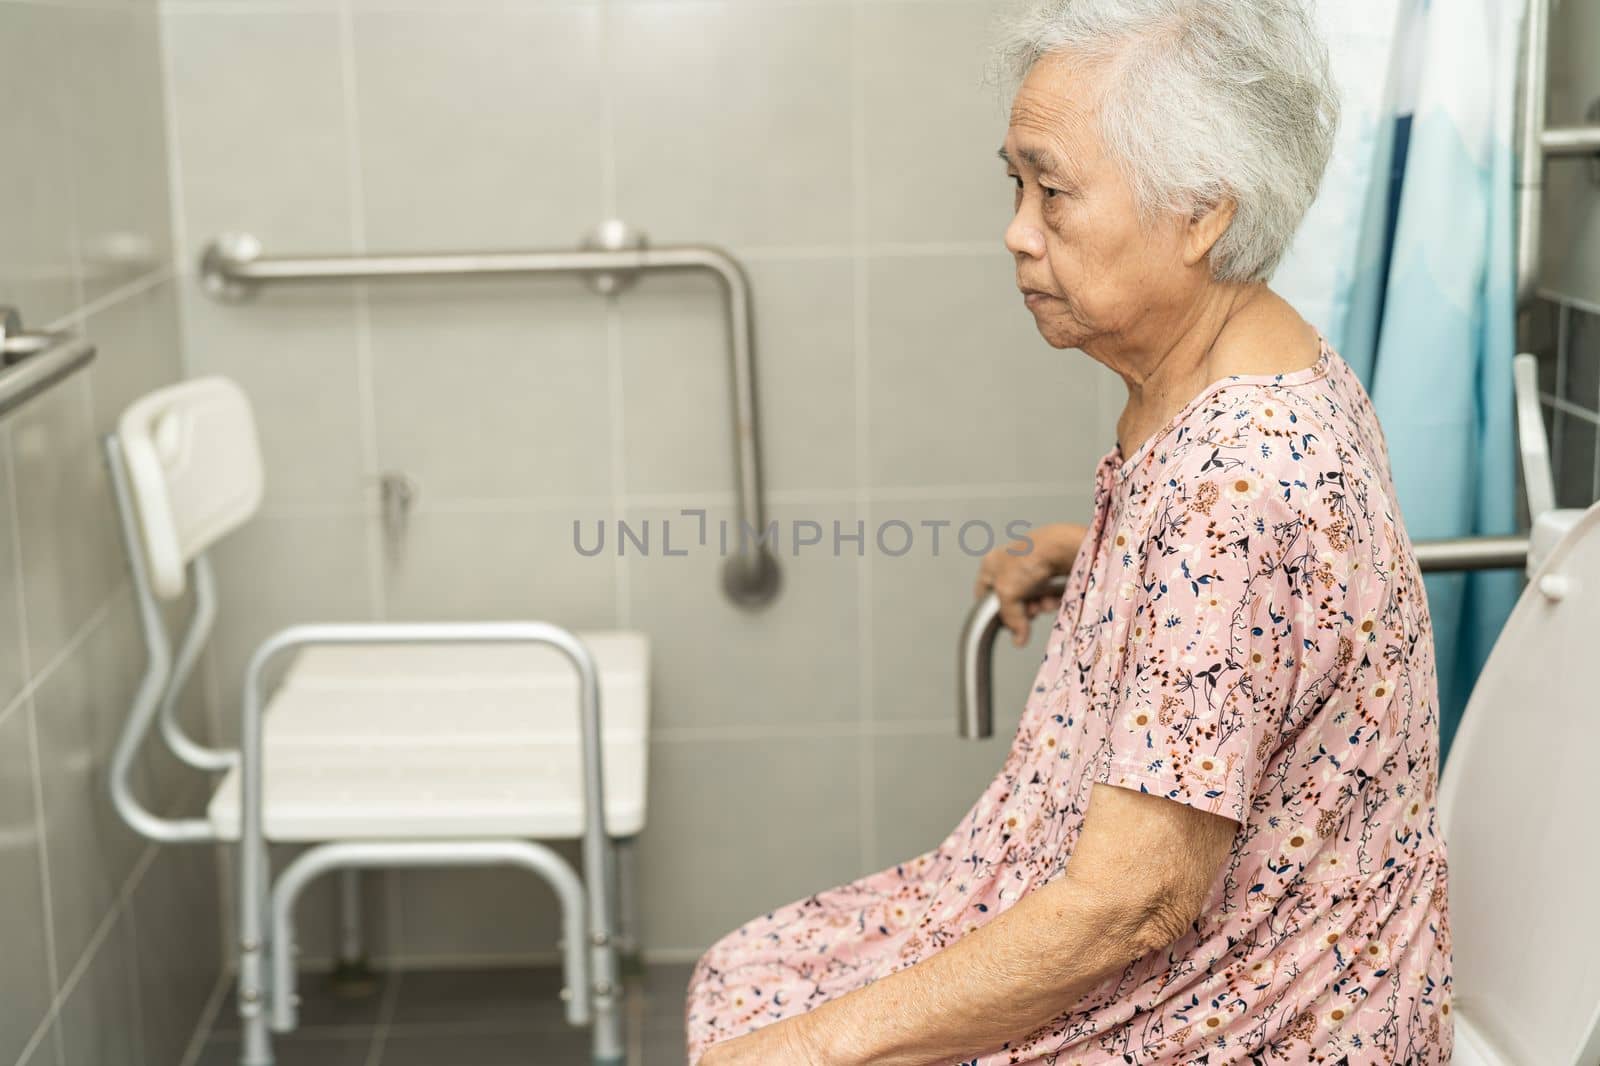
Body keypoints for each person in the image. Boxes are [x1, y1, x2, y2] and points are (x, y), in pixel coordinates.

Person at [687, 1, 1451, 1061]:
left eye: (1052, 190)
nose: (1016, 227)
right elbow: (1265, 614)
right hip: (1289, 941)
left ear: (1201, 214)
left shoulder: (1242, 484)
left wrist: (815, 1050)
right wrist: (1092, 555)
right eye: (1015, 182)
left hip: (1267, 1004)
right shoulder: (1251, 364)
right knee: (754, 970)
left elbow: (1130, 907)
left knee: (772, 1021)